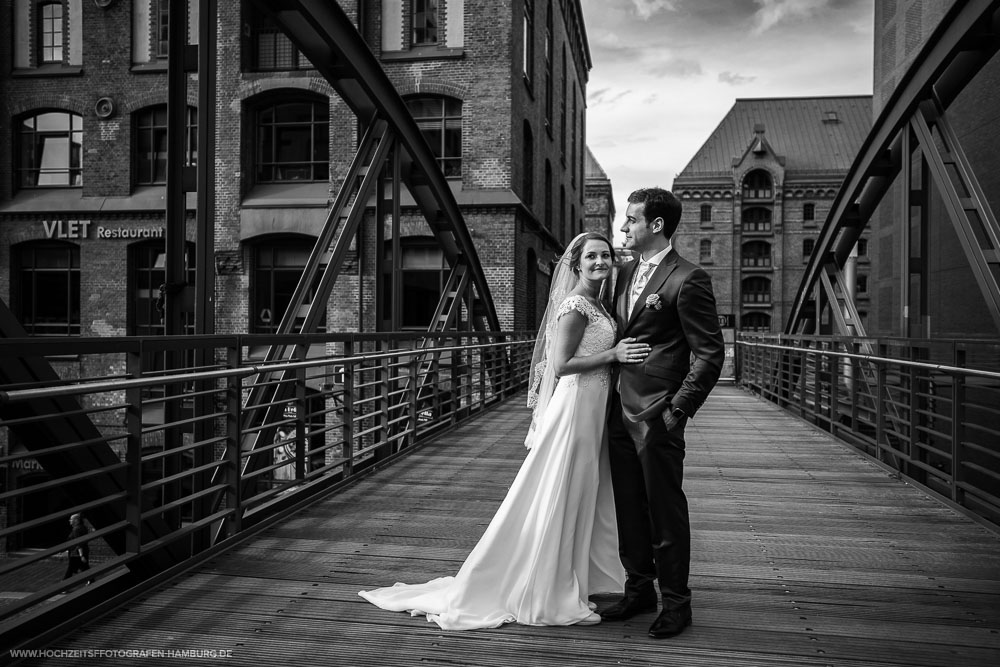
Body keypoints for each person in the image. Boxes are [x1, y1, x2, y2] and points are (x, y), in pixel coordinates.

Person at [359, 232, 650, 629]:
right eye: (592, 256)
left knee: (584, 491)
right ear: (576, 264)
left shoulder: (599, 302)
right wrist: (613, 354)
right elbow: (561, 365)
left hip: (595, 410)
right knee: (559, 489)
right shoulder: (575, 305)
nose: (600, 262)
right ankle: (544, 584)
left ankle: (578, 574)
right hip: (575, 407)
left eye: (605, 255)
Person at [602, 188, 725, 639]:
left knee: (664, 509)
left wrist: (679, 409)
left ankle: (677, 602)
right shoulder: (624, 272)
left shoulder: (688, 278)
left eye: (630, 220)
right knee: (628, 506)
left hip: (658, 414)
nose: (624, 228)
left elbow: (710, 354)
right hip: (616, 409)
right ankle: (638, 590)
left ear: (656, 225)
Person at [63, 513, 91, 582]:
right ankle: (91, 580)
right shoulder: (82, 527)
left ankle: (64, 586)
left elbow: (78, 543)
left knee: (71, 569)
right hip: (82, 551)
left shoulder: (76, 529)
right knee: (84, 567)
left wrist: (81, 555)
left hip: (76, 553)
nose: (69, 521)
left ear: (76, 520)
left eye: (71, 519)